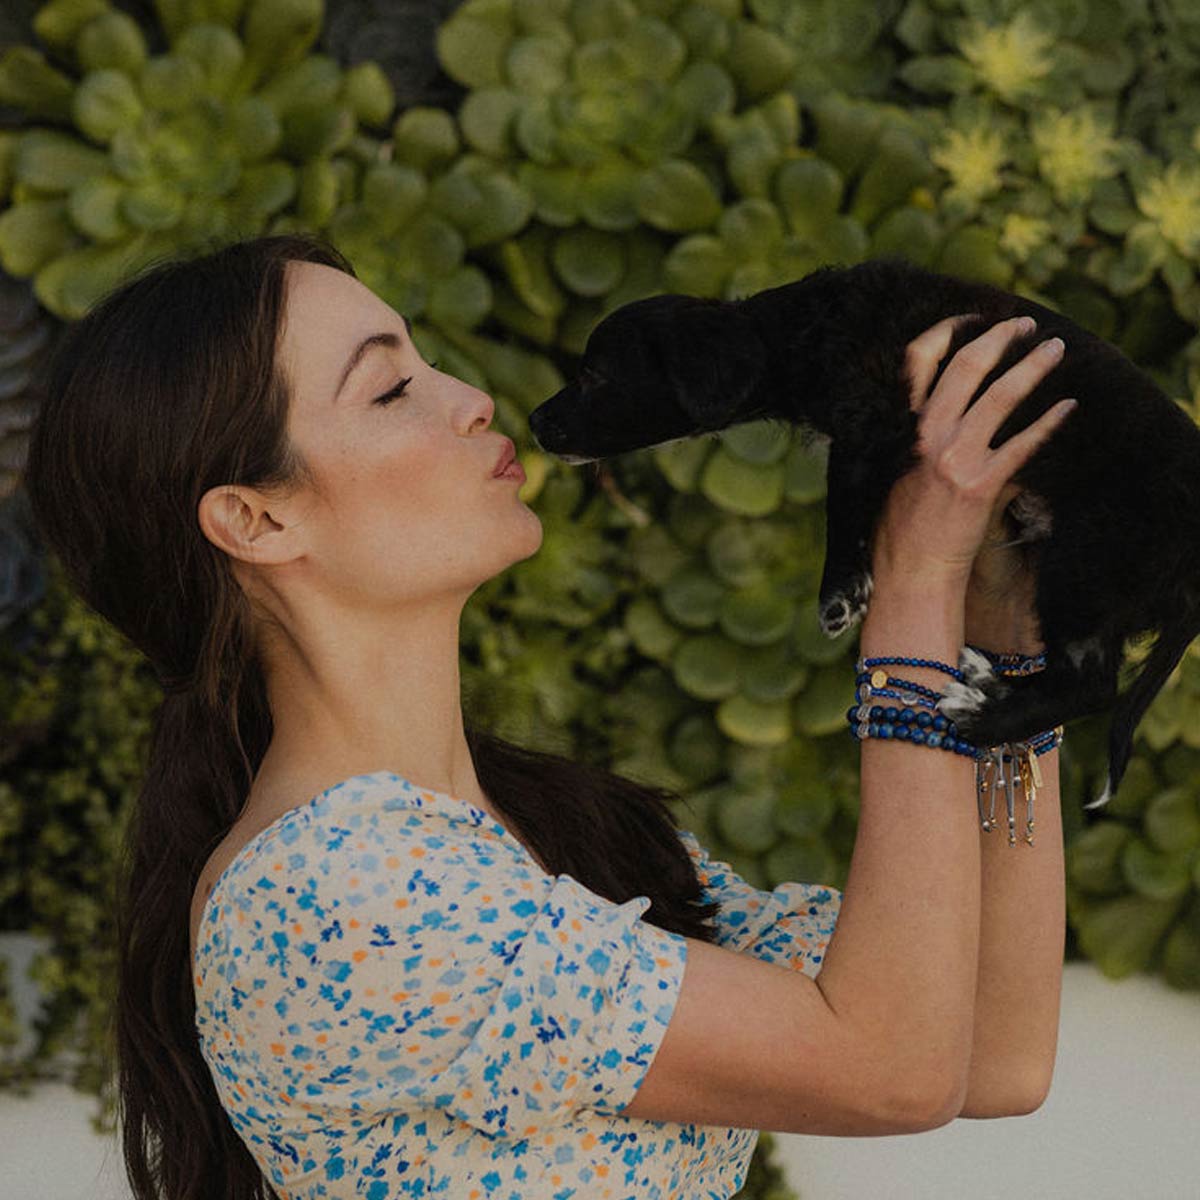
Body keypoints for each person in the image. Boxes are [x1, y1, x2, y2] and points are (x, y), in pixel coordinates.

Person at [21, 232, 1067, 1200]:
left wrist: (1009, 642)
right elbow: (891, 1071)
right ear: (256, 520)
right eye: (391, 389)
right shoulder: (338, 892)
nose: (471, 399)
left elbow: (992, 1048)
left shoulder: (553, 834)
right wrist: (917, 582)